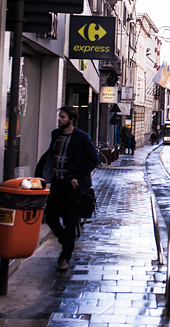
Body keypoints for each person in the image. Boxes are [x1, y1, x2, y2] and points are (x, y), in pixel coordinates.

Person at [34, 106, 99, 272]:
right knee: (51, 217)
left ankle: (65, 257)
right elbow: (51, 155)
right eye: (59, 117)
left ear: (71, 120)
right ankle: (65, 241)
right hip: (57, 182)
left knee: (70, 221)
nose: (59, 119)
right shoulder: (56, 134)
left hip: (72, 185)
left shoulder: (81, 137)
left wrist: (78, 175)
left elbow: (94, 159)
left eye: (62, 117)